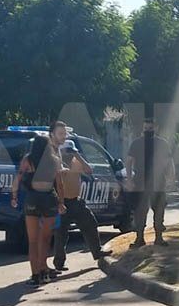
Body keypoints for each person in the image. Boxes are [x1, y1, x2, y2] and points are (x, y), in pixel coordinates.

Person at [11, 122, 68, 287]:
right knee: (45, 238)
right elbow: (60, 184)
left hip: (32, 199)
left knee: (33, 241)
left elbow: (18, 179)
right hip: (49, 198)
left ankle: (35, 275)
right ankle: (44, 272)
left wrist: (14, 197)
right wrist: (61, 202)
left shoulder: (27, 160)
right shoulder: (55, 160)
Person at [52, 139, 109, 271]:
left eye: (72, 152)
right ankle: (59, 262)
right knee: (61, 233)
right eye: (68, 152)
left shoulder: (76, 162)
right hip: (62, 202)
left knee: (91, 224)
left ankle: (97, 251)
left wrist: (78, 156)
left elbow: (89, 170)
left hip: (76, 201)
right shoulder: (57, 163)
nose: (70, 155)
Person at [125, 117, 175, 248]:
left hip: (158, 183)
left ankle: (159, 238)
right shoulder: (136, 143)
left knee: (159, 213)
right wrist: (129, 180)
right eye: (146, 128)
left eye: (150, 128)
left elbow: (169, 162)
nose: (148, 130)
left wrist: (171, 177)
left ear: (156, 128)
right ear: (142, 128)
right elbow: (129, 162)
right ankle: (139, 239)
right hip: (140, 183)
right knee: (140, 213)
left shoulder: (162, 143)